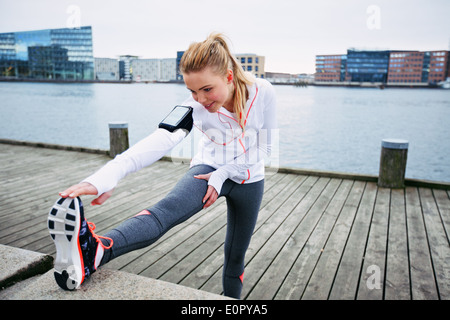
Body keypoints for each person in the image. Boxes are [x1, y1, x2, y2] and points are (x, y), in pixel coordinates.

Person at [47, 33, 277, 299]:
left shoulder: (262, 91)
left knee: (236, 258)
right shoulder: (193, 107)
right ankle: (94, 252)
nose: (200, 99)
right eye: (192, 90)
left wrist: (224, 173)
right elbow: (159, 140)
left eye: (206, 89)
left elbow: (265, 146)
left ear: (228, 76)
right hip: (207, 168)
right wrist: (104, 177)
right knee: (164, 212)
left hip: (249, 179)